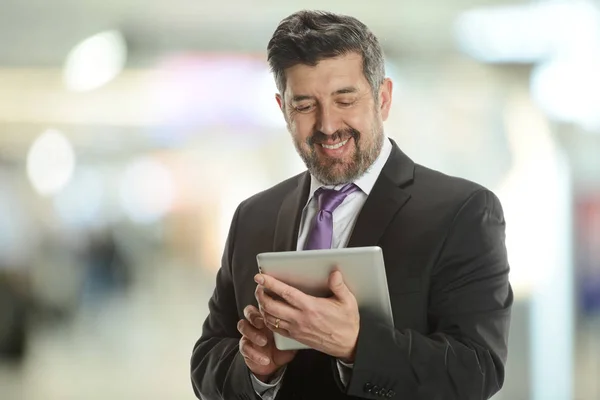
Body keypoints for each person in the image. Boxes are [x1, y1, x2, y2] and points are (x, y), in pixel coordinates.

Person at [191, 9, 512, 400]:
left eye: (345, 99)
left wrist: (359, 345)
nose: (328, 125)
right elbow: (207, 361)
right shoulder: (253, 216)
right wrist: (257, 370)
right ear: (283, 109)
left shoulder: (463, 212)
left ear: (383, 98)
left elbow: (476, 370)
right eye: (305, 105)